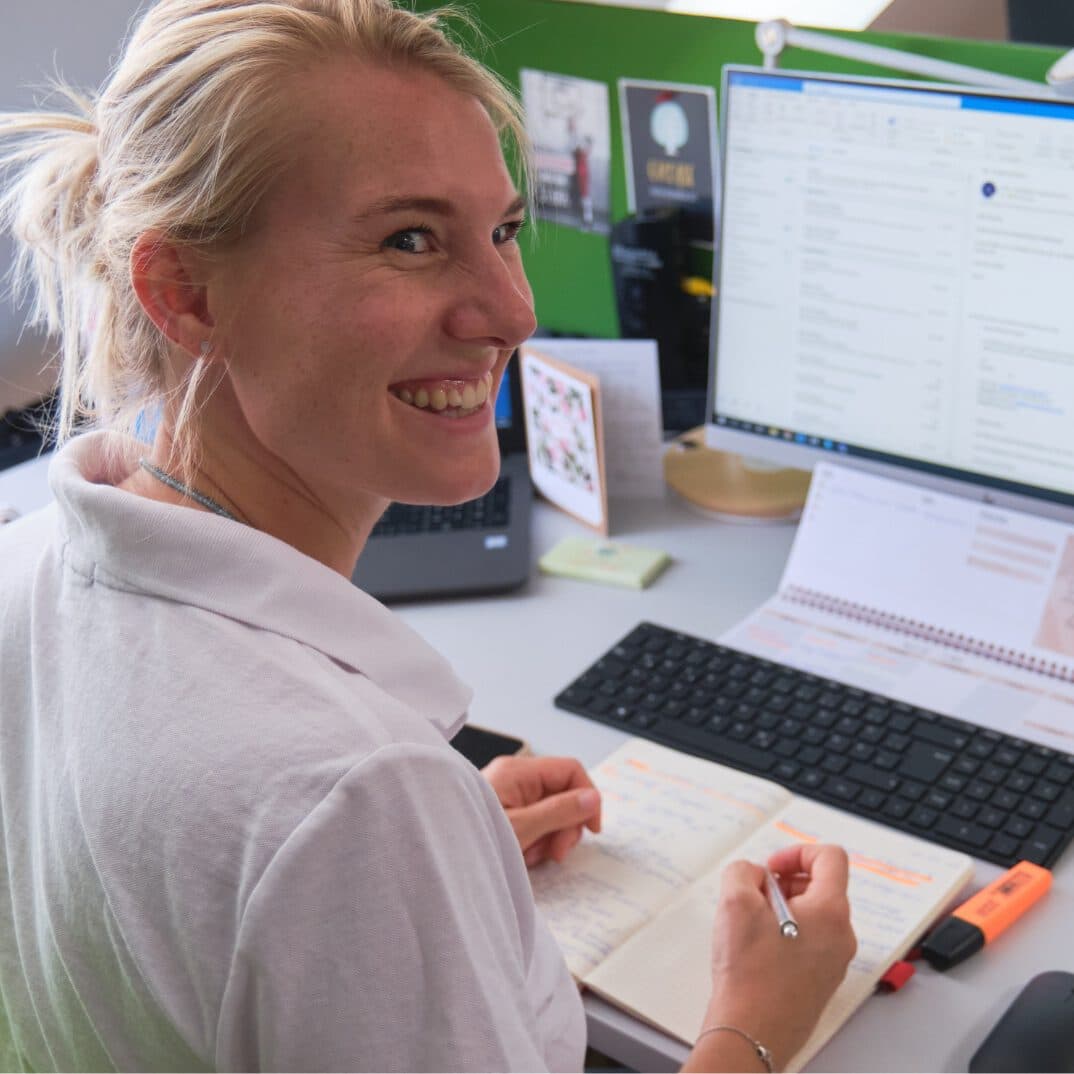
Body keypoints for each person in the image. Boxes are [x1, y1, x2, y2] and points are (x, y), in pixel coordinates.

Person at [0, 1, 857, 1070]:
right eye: (410, 240)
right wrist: (755, 1025)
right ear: (185, 293)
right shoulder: (350, 793)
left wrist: (436, 865)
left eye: (501, 231)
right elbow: (286, 811)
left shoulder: (24, 571)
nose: (511, 309)